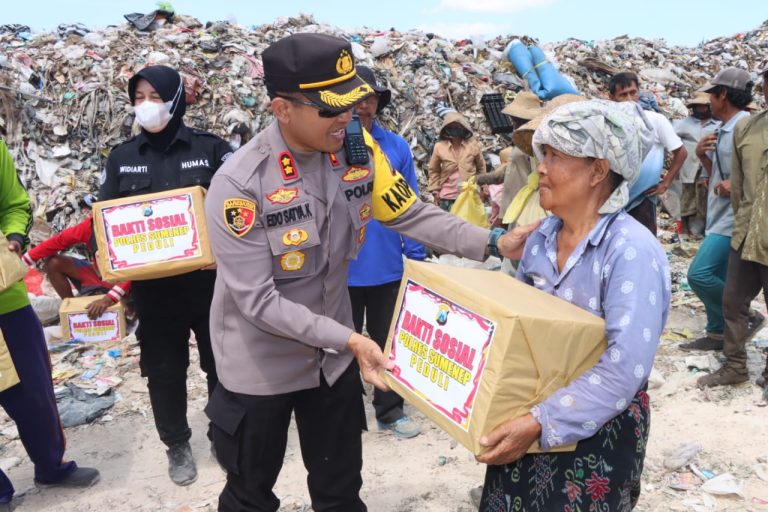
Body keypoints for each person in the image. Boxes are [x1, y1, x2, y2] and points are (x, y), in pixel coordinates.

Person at [203, 33, 530, 512]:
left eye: (351, 103)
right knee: (249, 494)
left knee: (340, 490)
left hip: (332, 363)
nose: (346, 118)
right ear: (281, 109)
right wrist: (352, 339)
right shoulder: (239, 185)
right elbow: (258, 301)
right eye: (330, 109)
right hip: (261, 365)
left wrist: (493, 241)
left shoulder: (358, 152)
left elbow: (411, 213)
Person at [476, 100, 670, 511]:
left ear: (598, 171)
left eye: (556, 156)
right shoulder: (541, 239)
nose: (541, 168)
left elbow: (624, 369)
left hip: (598, 430)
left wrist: (541, 421)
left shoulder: (631, 251)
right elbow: (519, 331)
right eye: (542, 155)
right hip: (526, 415)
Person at [98, 65, 233, 486]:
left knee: (223, 365)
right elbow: (105, 224)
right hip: (154, 292)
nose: (146, 106)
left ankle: (223, 435)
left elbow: (238, 213)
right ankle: (176, 445)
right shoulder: (122, 160)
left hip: (210, 285)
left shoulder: (211, 150)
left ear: (175, 99)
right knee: (164, 370)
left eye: (154, 97)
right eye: (138, 98)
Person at [0, 139, 99, 511]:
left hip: (5, 298)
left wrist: (13, 237)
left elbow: (15, 204)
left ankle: (51, 466)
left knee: (35, 390)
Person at [347, 65, 426, 439]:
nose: (364, 106)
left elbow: (411, 207)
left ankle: (390, 410)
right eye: (357, 98)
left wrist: (416, 257)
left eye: (371, 98)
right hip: (342, 270)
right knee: (341, 346)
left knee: (389, 341)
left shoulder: (396, 147)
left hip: (388, 268)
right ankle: (345, 415)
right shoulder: (329, 148)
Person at [698, 65, 768, 389]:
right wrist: (742, 223)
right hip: (747, 230)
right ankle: (735, 366)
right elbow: (738, 185)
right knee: (733, 302)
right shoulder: (748, 129)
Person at [679, 68, 755, 353]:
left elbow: (757, 174)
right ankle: (716, 333)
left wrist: (733, 185)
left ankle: (745, 315)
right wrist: (702, 156)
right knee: (720, 276)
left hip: (734, 218)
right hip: (718, 214)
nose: (708, 100)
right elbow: (717, 180)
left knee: (698, 275)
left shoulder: (745, 126)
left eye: (712, 94)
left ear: (723, 94)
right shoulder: (722, 129)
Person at [609, 71, 687, 235]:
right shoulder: (609, 123)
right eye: (623, 95)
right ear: (612, 98)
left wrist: (665, 183)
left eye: (633, 93)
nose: (629, 99)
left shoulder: (655, 120)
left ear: (639, 92)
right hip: (613, 198)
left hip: (642, 198)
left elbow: (681, 152)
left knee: (642, 241)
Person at [20, 215, 132, 320]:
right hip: (101, 275)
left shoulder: (131, 225)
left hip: (129, 279)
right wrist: (20, 264)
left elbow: (138, 269)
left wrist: (108, 299)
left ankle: (126, 303)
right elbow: (58, 241)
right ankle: (73, 312)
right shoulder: (90, 225)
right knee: (53, 263)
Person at [476, 92, 541, 227]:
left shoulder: (534, 142)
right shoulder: (521, 141)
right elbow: (513, 167)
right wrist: (488, 178)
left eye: (515, 120)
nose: (512, 123)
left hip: (523, 206)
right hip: (511, 204)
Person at [673, 92, 720, 237]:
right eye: (698, 106)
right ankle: (685, 230)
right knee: (687, 198)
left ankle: (697, 232)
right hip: (688, 167)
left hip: (707, 167)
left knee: (703, 200)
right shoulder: (683, 124)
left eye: (704, 106)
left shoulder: (718, 125)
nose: (701, 109)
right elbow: (672, 141)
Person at [428, 111, 486, 211]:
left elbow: (481, 167)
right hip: (447, 196)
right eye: (452, 126)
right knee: (448, 225)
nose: (455, 129)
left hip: (469, 194)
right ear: (446, 129)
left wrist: (483, 186)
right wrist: (435, 189)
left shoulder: (473, 145)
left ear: (463, 127)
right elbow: (434, 170)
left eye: (458, 126)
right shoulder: (439, 147)